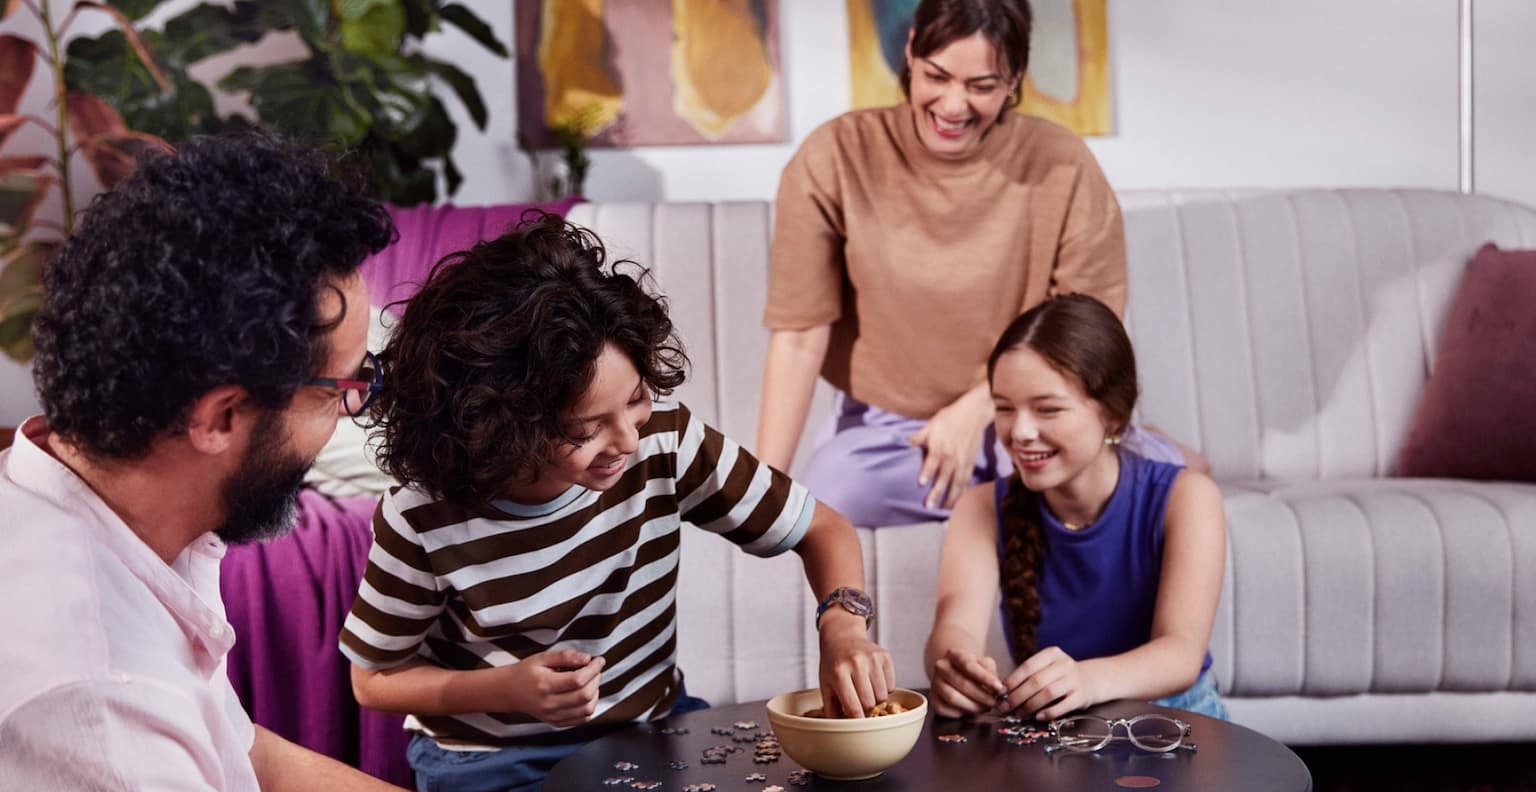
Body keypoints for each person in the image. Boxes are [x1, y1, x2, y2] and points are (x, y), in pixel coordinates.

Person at [340, 214, 896, 792]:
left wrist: (843, 628)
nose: (628, 441)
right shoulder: (421, 517)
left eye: (636, 399)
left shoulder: (664, 440)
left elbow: (823, 529)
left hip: (650, 732)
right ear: (499, 424)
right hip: (490, 760)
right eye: (585, 429)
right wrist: (507, 689)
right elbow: (372, 679)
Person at [0, 134, 403, 790]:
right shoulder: (104, 716)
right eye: (340, 391)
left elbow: (242, 753)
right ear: (221, 418)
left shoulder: (106, 512)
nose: (349, 412)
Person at [758, 0, 1205, 527]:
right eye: (936, 76)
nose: (953, 105)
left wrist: (983, 407)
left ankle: (1135, 457)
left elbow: (1087, 333)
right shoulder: (836, 156)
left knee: (1131, 489)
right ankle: (1016, 497)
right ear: (910, 51)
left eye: (982, 86)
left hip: (1034, 413)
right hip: (890, 434)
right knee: (837, 491)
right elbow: (798, 338)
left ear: (1014, 77)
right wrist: (759, 494)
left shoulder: (1063, 164)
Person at [925, 294, 1228, 723]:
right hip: (1057, 729)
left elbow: (1181, 652)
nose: (1020, 432)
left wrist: (1087, 680)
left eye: (1048, 409)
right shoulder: (981, 507)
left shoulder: (1188, 497)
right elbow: (955, 625)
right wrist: (955, 668)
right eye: (1004, 408)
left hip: (1179, 723)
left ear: (1112, 415)